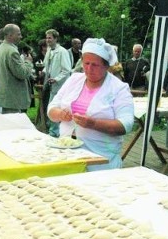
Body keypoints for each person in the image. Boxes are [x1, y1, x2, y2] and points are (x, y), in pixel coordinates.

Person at [47, 38, 134, 171]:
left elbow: (126, 125)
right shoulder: (74, 79)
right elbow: (51, 108)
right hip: (67, 153)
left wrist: (93, 124)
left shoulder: (119, 88)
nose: (89, 68)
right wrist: (60, 114)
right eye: (86, 63)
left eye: (95, 65)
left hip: (101, 159)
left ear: (106, 66)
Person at [0, 24, 35, 113]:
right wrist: (28, 62)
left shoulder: (0, 48)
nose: (21, 36)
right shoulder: (12, 51)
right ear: (10, 35)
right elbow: (22, 74)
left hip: (2, 98)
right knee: (12, 126)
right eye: (18, 34)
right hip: (11, 100)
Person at [43, 29, 72, 137]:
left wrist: (56, 78)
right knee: (50, 106)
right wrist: (43, 72)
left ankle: (54, 133)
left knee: (55, 107)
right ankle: (54, 131)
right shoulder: (49, 50)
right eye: (47, 38)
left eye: (50, 38)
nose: (47, 40)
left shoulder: (62, 51)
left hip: (61, 86)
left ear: (55, 38)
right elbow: (48, 66)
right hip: (51, 84)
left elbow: (67, 69)